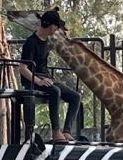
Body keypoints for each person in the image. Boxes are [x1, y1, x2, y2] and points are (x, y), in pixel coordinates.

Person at [19, 8, 81, 142]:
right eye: (56, 26)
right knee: (55, 91)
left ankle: (67, 131)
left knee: (75, 96)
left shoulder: (48, 41)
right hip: (32, 79)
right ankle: (56, 131)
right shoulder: (31, 42)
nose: (56, 29)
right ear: (49, 25)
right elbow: (23, 68)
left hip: (45, 77)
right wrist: (38, 81)